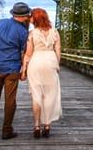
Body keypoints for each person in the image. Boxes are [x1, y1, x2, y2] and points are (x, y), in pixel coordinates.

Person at [0, 1, 31, 140]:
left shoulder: (0, 22)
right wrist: (24, 70)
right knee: (10, 100)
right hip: (12, 69)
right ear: (23, 16)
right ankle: (6, 131)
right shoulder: (23, 31)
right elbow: (24, 53)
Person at [21, 7, 62, 138]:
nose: (30, 18)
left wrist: (23, 69)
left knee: (36, 95)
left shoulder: (32, 34)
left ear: (36, 18)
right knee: (50, 96)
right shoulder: (55, 32)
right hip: (50, 61)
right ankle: (47, 125)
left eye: (31, 16)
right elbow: (58, 49)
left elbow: (28, 54)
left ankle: (37, 125)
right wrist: (57, 64)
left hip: (36, 62)